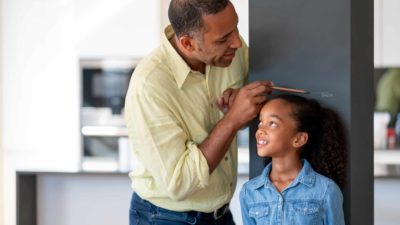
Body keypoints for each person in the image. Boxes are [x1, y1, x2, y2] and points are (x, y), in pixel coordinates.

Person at [124, 0, 272, 224]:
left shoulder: (231, 52)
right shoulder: (149, 86)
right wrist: (232, 119)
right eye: (223, 39)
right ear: (188, 44)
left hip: (220, 213)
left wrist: (241, 107)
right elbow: (180, 182)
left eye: (236, 29)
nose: (237, 43)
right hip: (165, 217)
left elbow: (244, 115)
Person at [240, 94, 347, 225]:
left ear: (299, 139)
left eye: (272, 123)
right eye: (260, 123)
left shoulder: (326, 190)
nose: (260, 130)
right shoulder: (249, 191)